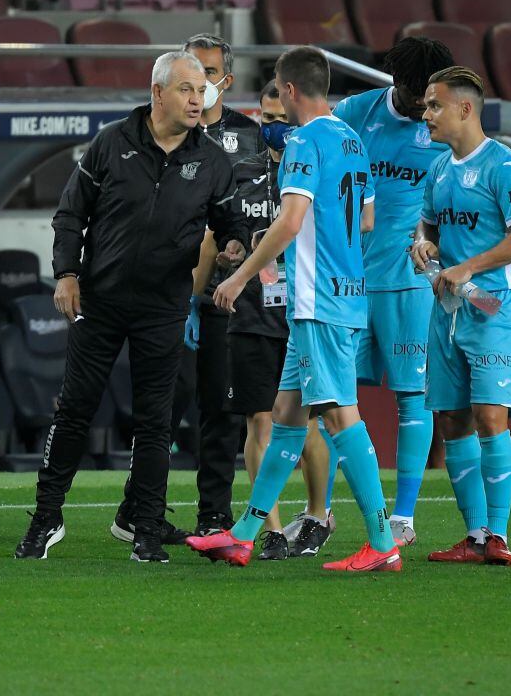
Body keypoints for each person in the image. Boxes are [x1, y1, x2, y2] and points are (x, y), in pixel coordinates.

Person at [14, 51, 248, 563]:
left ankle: (144, 527)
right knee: (74, 410)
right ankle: (46, 517)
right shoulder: (111, 143)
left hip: (164, 307)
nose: (197, 98)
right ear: (158, 92)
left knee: (155, 421)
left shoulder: (210, 160)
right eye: (187, 88)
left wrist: (235, 245)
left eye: (202, 89)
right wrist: (66, 274)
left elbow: (231, 223)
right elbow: (70, 214)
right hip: (100, 300)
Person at [189, 46, 402, 572]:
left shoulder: (305, 141)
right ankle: (242, 534)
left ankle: (381, 542)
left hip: (318, 299)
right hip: (346, 291)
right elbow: (369, 219)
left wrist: (239, 276)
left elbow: (290, 222)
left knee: (338, 414)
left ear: (287, 90)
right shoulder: (351, 140)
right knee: (286, 416)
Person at [322, 37, 455, 548]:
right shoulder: (357, 112)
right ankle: (321, 510)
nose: (424, 102)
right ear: (396, 81)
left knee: (412, 399)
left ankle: (402, 517)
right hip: (348, 281)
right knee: (332, 399)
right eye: (417, 90)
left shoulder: (442, 132)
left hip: (408, 283)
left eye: (432, 94)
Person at [411, 66, 511, 567]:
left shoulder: (506, 167)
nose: (426, 115)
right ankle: (474, 536)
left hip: (495, 309)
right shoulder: (439, 169)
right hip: (447, 309)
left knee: (491, 416)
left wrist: (468, 266)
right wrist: (423, 245)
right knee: (453, 420)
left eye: (434, 105)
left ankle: (500, 536)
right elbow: (428, 225)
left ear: (465, 108)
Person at [219, 81, 336, 561]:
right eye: (267, 121)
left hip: (304, 308)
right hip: (250, 310)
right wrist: (231, 251)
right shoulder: (240, 174)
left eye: (281, 120)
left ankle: (316, 516)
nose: (274, 130)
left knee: (308, 423)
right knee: (258, 420)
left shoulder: (318, 168)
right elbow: (227, 234)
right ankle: (268, 528)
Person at [169, 34, 264, 537]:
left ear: (225, 78)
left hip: (231, 298)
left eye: (207, 72)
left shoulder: (252, 138)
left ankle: (214, 513)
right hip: (166, 294)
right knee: (161, 409)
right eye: (190, 71)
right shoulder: (159, 131)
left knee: (222, 413)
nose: (199, 83)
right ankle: (139, 511)